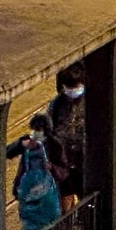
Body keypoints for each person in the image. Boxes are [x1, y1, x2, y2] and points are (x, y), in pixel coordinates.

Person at [7, 115, 63, 230]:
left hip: (47, 196)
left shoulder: (54, 145)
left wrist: (52, 168)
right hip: (29, 194)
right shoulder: (27, 142)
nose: (35, 132)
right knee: (30, 227)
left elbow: (63, 170)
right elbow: (7, 152)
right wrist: (20, 144)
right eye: (33, 128)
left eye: (38, 129)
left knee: (48, 229)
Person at [46, 66, 88, 214]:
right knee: (65, 196)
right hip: (63, 160)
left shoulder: (91, 102)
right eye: (69, 88)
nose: (72, 91)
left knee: (86, 197)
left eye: (75, 87)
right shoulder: (57, 104)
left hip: (84, 160)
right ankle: (66, 224)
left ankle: (84, 221)